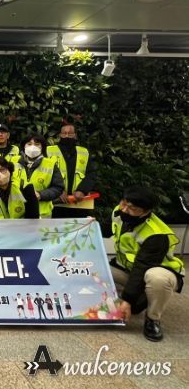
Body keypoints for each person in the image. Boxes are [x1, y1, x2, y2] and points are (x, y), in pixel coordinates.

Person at [110, 186, 184, 342]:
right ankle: (135, 297)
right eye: (124, 203)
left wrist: (128, 300)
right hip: (126, 269)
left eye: (132, 208)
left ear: (146, 211)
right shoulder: (120, 211)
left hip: (158, 271)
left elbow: (142, 267)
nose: (125, 210)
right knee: (94, 267)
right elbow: (107, 228)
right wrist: (90, 224)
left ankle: (152, 319)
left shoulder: (156, 235)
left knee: (157, 279)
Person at [47, 123, 96, 218]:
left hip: (79, 202)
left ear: (75, 135)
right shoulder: (49, 151)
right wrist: (58, 190)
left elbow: (91, 174)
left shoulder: (84, 152)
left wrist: (82, 190)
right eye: (64, 133)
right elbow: (45, 174)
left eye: (70, 133)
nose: (67, 136)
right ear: (60, 135)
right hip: (56, 202)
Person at [17, 133, 64, 218]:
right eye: (29, 144)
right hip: (17, 213)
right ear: (24, 146)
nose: (32, 147)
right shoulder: (13, 161)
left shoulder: (50, 164)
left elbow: (58, 187)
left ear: (42, 147)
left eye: (37, 144)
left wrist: (41, 195)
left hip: (42, 215)